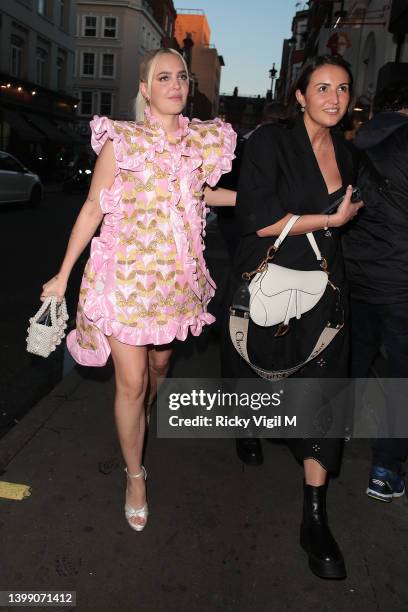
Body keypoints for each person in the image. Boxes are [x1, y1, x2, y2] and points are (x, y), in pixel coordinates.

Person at [40, 48, 236, 532]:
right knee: (131, 382)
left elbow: (199, 192)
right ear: (145, 89)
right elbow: (91, 209)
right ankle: (135, 476)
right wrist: (63, 275)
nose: (176, 84)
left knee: (159, 365)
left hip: (174, 279)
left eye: (182, 77)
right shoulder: (121, 141)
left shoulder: (203, 142)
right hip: (125, 277)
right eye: (163, 77)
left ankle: (144, 412)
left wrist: (259, 200)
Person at [222, 55, 363, 579]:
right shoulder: (268, 143)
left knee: (323, 392)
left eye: (343, 88)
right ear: (299, 95)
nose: (333, 97)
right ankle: (249, 425)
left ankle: (315, 518)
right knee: (262, 374)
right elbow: (259, 222)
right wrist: (331, 217)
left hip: (325, 284)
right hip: (269, 276)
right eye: (322, 87)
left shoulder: (349, 153)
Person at [343, 81, 408, 502]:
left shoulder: (357, 143)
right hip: (402, 282)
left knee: (356, 353)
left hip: (359, 273)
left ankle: (337, 429)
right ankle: (385, 467)